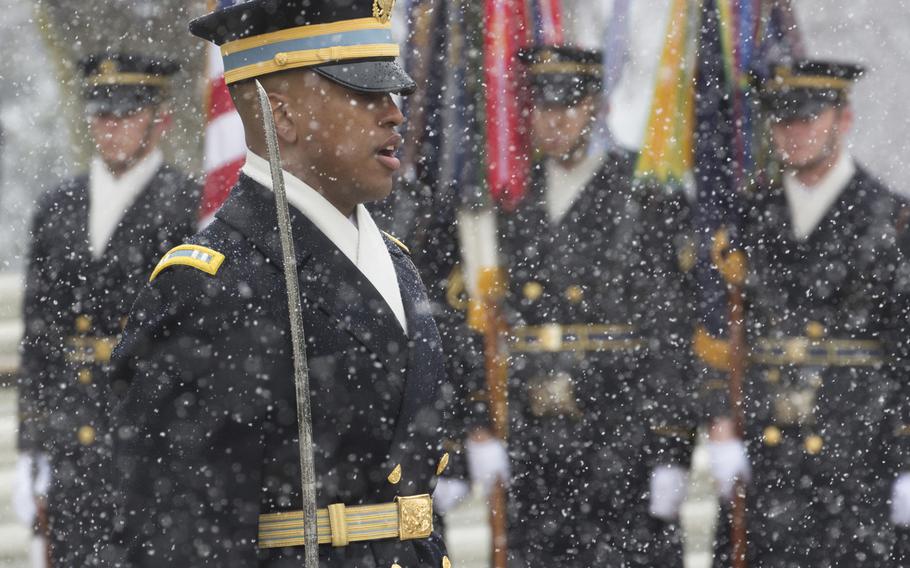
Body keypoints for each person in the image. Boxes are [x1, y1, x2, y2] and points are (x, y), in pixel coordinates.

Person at [106, 2, 453, 567]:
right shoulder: (207, 288)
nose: (393, 114)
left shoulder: (396, 261)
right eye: (365, 93)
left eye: (392, 93)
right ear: (282, 116)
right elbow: (174, 539)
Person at [450, 45, 696, 566]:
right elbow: (476, 320)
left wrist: (671, 450)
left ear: (596, 108)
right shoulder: (509, 196)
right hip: (532, 442)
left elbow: (671, 330)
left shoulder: (644, 191)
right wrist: (476, 423)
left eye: (569, 105)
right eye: (542, 106)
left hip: (620, 435)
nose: (554, 119)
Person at [703, 59, 910, 566]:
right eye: (780, 119)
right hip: (768, 464)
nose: (793, 131)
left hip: (861, 463)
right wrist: (720, 419)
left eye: (809, 116)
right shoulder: (747, 221)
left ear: (843, 120)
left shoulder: (891, 219)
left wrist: (907, 458)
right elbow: (717, 334)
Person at [12, 53, 199, 566]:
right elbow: (39, 337)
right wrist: (34, 448)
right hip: (75, 449)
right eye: (100, 112)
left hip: (153, 450)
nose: (109, 125)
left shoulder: (192, 207)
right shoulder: (58, 208)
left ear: (161, 119)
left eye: (125, 112)